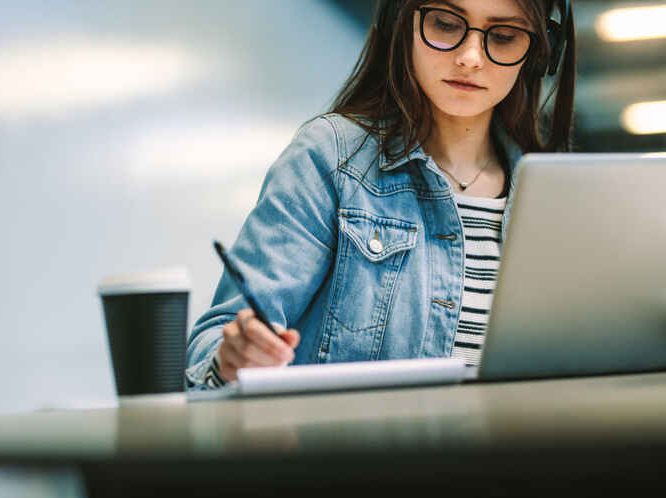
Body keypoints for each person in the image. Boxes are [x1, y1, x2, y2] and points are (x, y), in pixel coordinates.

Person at [185, 0, 576, 389]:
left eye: (505, 36)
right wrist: (234, 357)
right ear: (400, 22)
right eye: (444, 24)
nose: (471, 57)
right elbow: (211, 347)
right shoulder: (331, 158)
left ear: (543, 53)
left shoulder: (553, 194)